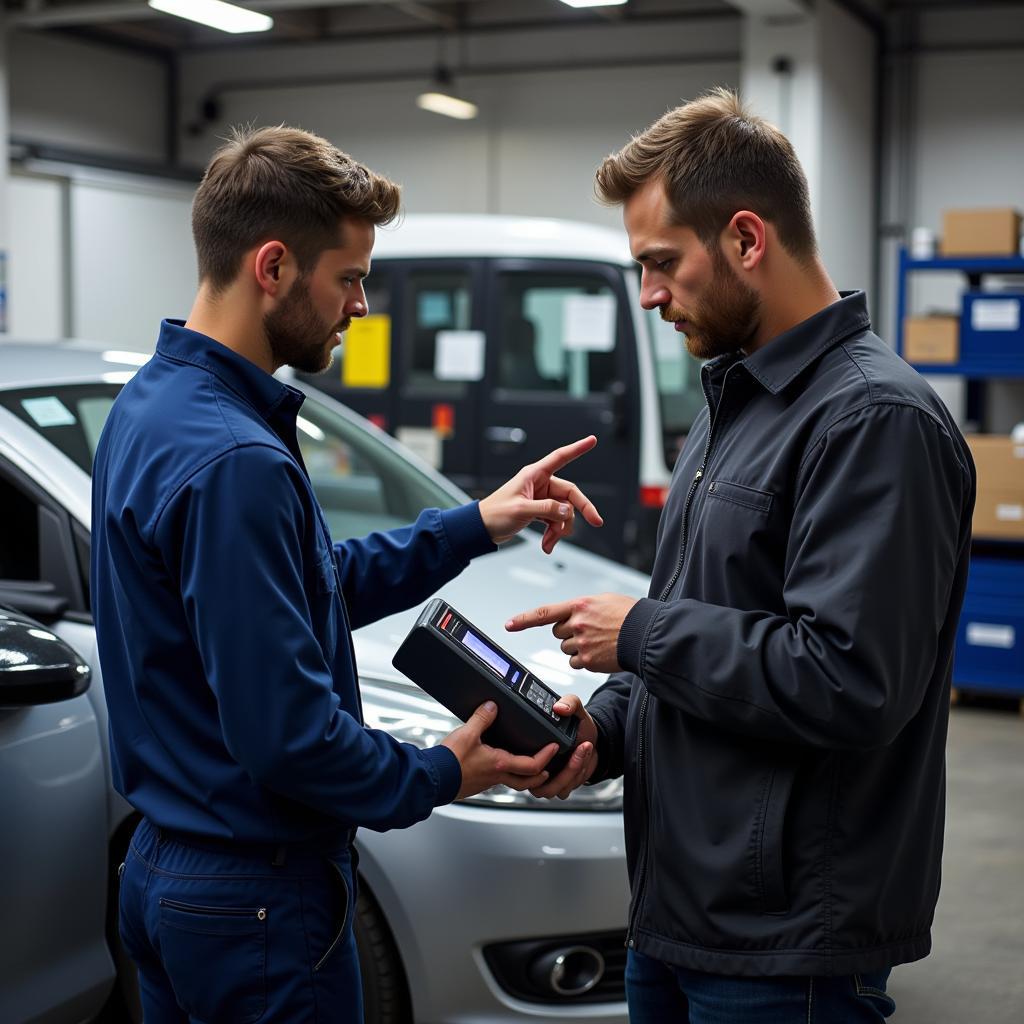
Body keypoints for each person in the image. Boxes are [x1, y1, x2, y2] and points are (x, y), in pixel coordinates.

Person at [91, 125, 603, 1024]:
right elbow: (288, 738)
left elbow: (309, 583)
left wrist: (474, 524)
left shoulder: (151, 404)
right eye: (351, 277)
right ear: (274, 266)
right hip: (257, 903)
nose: (361, 305)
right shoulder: (234, 459)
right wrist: (443, 770)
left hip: (167, 878)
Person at [506, 88, 976, 1023]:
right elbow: (707, 625)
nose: (647, 295)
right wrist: (602, 730)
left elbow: (851, 679)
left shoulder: (873, 420)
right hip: (678, 917)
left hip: (787, 949)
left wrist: (640, 633)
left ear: (748, 239)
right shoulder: (735, 406)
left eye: (661, 264)